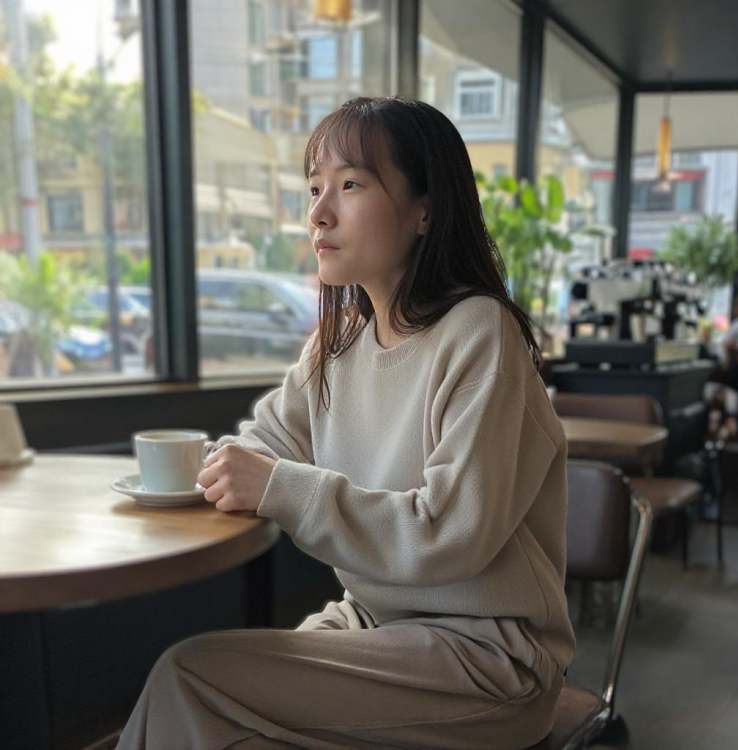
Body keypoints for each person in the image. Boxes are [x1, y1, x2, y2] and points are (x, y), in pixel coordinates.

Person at [117, 96, 574, 750]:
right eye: (314, 188)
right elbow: (264, 444)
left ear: (425, 211)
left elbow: (452, 533)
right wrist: (211, 471)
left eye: (351, 185)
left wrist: (278, 486)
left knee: (190, 677)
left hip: (487, 656)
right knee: (216, 720)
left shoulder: (479, 332)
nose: (318, 213)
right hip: (376, 624)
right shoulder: (339, 342)